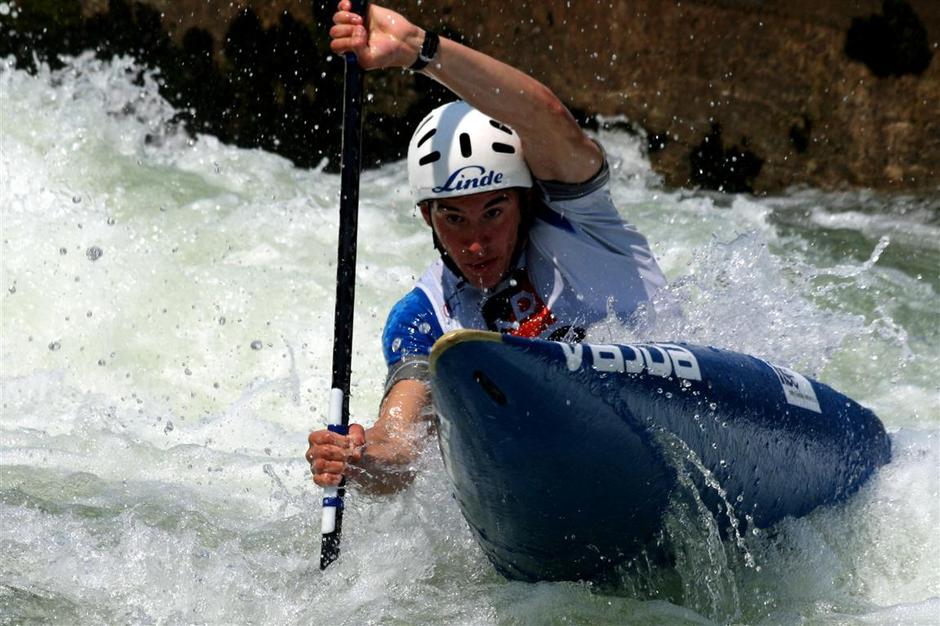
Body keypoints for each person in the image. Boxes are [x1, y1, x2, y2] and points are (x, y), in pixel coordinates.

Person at [307, 0, 667, 494]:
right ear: (427, 217)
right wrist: (358, 458)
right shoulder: (425, 317)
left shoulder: (582, 223)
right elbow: (401, 447)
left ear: (523, 200)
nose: (475, 242)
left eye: (494, 212)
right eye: (454, 219)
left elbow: (545, 116)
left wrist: (418, 49)